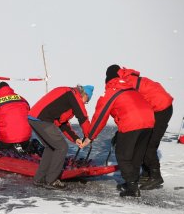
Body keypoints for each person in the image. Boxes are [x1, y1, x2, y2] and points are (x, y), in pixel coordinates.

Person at [82, 65, 155, 197]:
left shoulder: (111, 91)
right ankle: (132, 182)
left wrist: (90, 136)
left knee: (123, 155)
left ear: (107, 78)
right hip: (149, 121)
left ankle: (132, 188)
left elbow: (100, 116)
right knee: (137, 154)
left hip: (132, 123)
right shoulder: (131, 88)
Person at [115, 65, 174, 190]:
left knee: (148, 145)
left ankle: (155, 176)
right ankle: (147, 173)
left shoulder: (127, 83)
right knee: (144, 140)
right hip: (161, 108)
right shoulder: (131, 78)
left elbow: (132, 108)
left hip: (161, 110)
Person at [28, 84, 94, 190]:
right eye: (87, 100)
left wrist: (75, 138)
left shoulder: (68, 95)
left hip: (34, 118)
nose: (85, 103)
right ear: (84, 94)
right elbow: (82, 117)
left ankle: (39, 178)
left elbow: (61, 122)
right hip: (42, 119)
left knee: (50, 147)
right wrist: (89, 136)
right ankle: (52, 180)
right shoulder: (73, 95)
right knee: (62, 147)